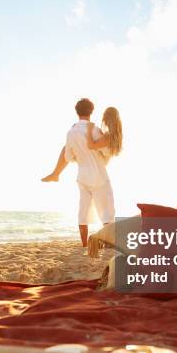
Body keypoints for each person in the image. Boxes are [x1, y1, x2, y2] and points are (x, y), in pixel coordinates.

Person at [42, 99, 123, 247]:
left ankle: (84, 245)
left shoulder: (71, 132)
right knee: (106, 212)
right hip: (99, 176)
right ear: (91, 112)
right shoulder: (95, 130)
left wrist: (80, 155)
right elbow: (105, 152)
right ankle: (109, 244)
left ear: (76, 111)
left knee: (83, 212)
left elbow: (69, 157)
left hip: (83, 176)